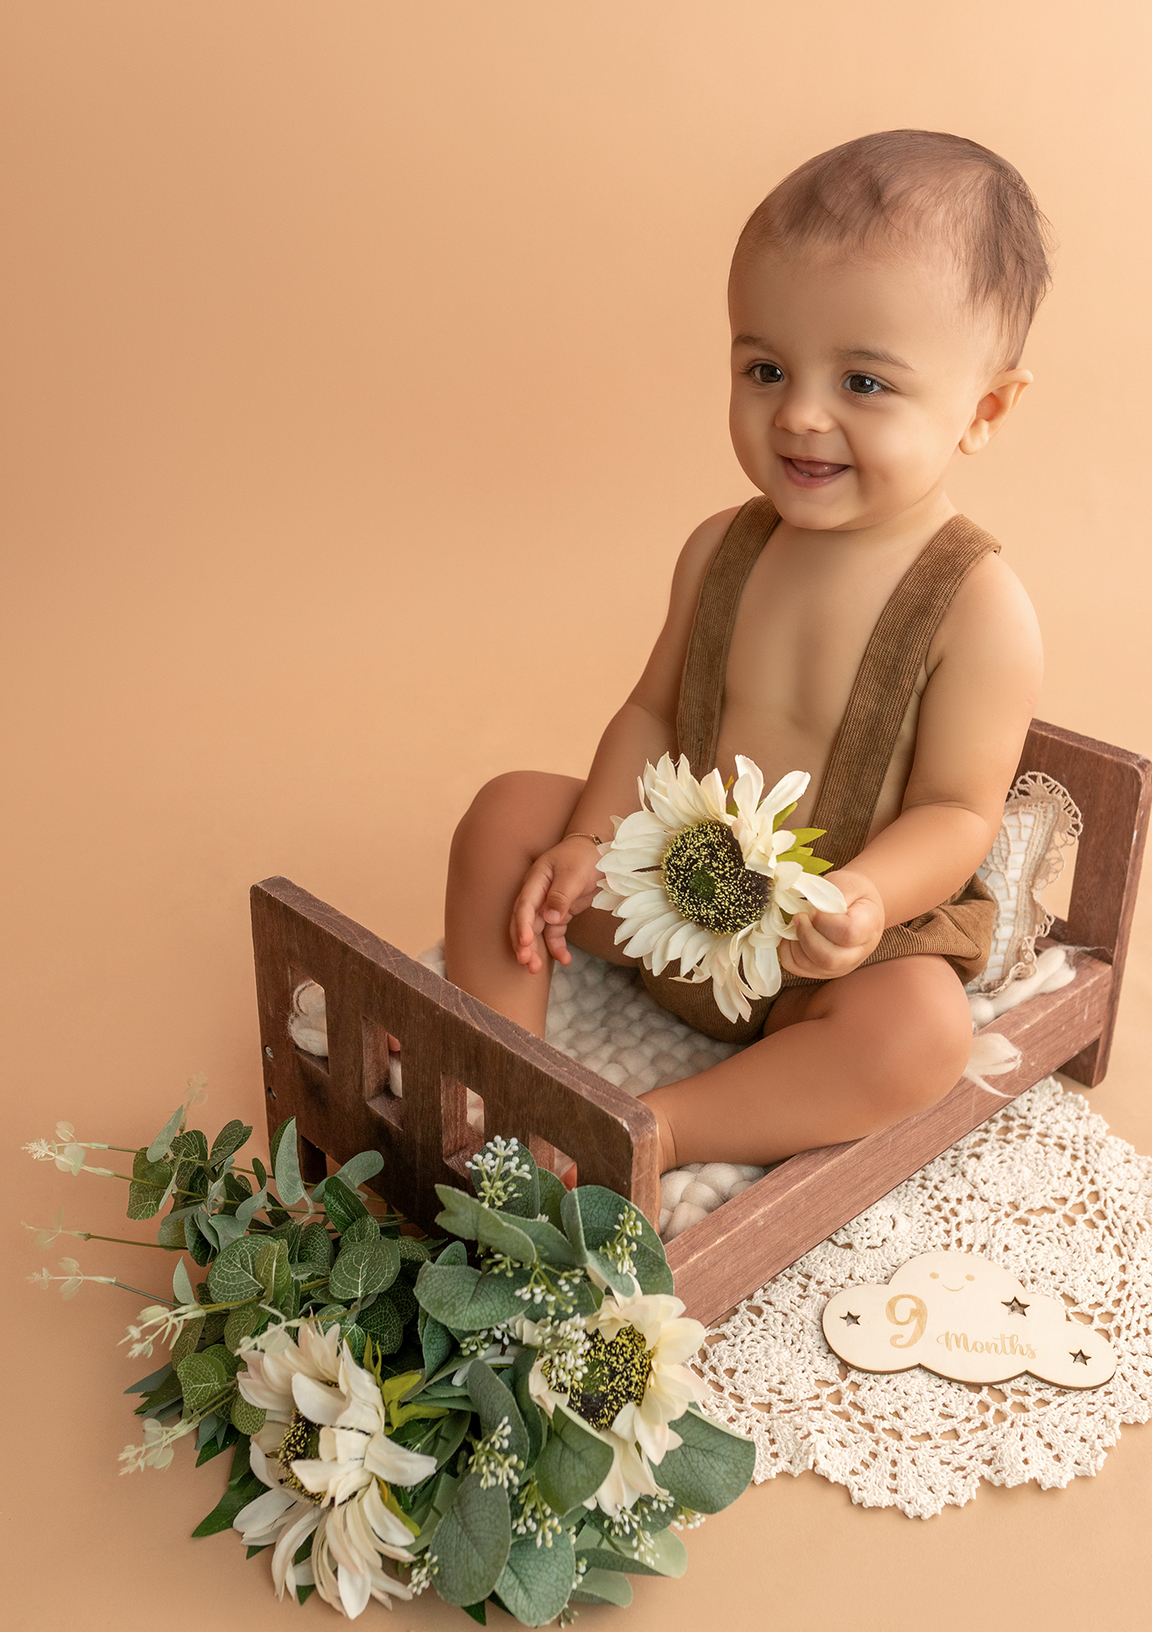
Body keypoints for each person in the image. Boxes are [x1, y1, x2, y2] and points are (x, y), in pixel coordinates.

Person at [444, 130, 1047, 1176]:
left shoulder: (979, 608)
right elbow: (648, 710)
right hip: (668, 894)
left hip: (826, 955)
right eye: (765, 368)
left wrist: (862, 900)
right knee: (507, 815)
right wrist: (592, 839)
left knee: (921, 1031)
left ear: (984, 411)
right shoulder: (722, 547)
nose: (800, 414)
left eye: (864, 383)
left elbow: (957, 810)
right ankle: (494, 1068)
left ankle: (660, 1130)